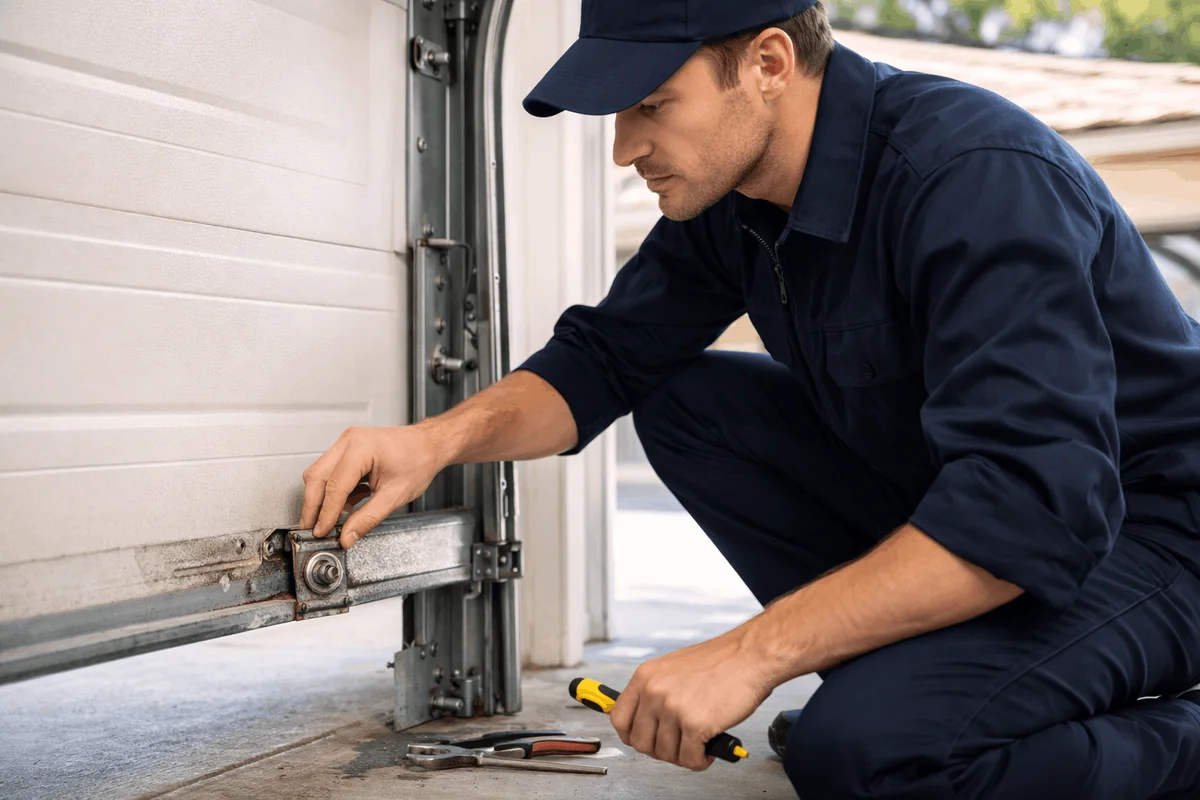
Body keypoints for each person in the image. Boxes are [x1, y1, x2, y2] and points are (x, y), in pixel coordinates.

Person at [297, 0, 1200, 797]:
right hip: (973, 509)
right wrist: (436, 442)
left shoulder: (973, 176)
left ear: (768, 63)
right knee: (689, 401)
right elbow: (603, 362)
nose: (624, 149)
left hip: (1152, 533)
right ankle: (908, 679)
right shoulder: (735, 200)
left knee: (869, 758)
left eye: (652, 104)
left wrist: (748, 653)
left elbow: (1030, 506)